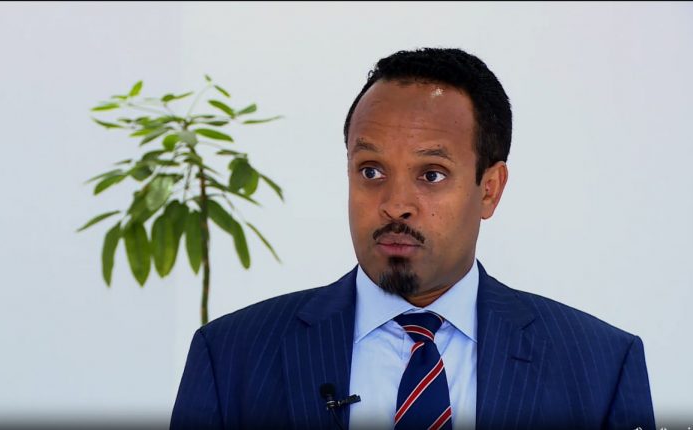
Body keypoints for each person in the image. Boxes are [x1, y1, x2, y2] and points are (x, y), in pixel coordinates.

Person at [170, 48, 655, 430]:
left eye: (431, 174)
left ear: (489, 189)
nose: (395, 204)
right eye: (371, 170)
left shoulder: (601, 367)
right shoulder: (230, 356)